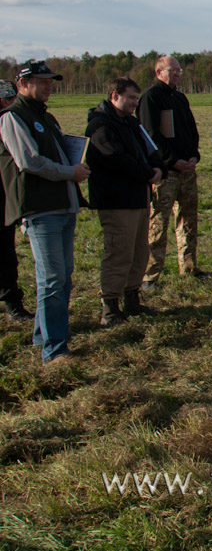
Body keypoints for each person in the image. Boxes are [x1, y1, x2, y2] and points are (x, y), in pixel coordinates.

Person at [0, 60, 90, 364]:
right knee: (52, 279)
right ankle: (55, 350)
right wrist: (69, 172)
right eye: (43, 82)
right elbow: (30, 161)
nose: (49, 87)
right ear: (23, 83)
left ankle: (44, 335)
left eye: (51, 82)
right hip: (40, 209)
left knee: (63, 277)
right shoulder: (13, 117)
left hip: (63, 204)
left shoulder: (47, 118)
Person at [84, 77, 165, 325]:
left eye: (136, 98)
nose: (134, 103)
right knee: (119, 253)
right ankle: (110, 307)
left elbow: (151, 149)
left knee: (139, 253)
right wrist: (147, 174)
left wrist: (159, 167)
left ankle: (132, 300)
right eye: (130, 98)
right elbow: (116, 160)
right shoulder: (100, 127)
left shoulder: (131, 123)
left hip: (139, 198)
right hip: (116, 200)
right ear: (114, 96)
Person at [138, 55, 202, 290]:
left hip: (187, 170)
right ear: (158, 72)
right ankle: (149, 276)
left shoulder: (180, 98)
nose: (177, 74)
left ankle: (189, 267)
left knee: (188, 220)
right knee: (158, 224)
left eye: (179, 70)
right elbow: (150, 136)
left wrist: (194, 155)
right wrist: (172, 162)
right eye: (172, 70)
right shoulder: (150, 98)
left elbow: (191, 130)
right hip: (165, 174)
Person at [0, 80, 32, 321]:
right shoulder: (7, 121)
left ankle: (12, 301)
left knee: (6, 254)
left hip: (5, 197)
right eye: (10, 100)